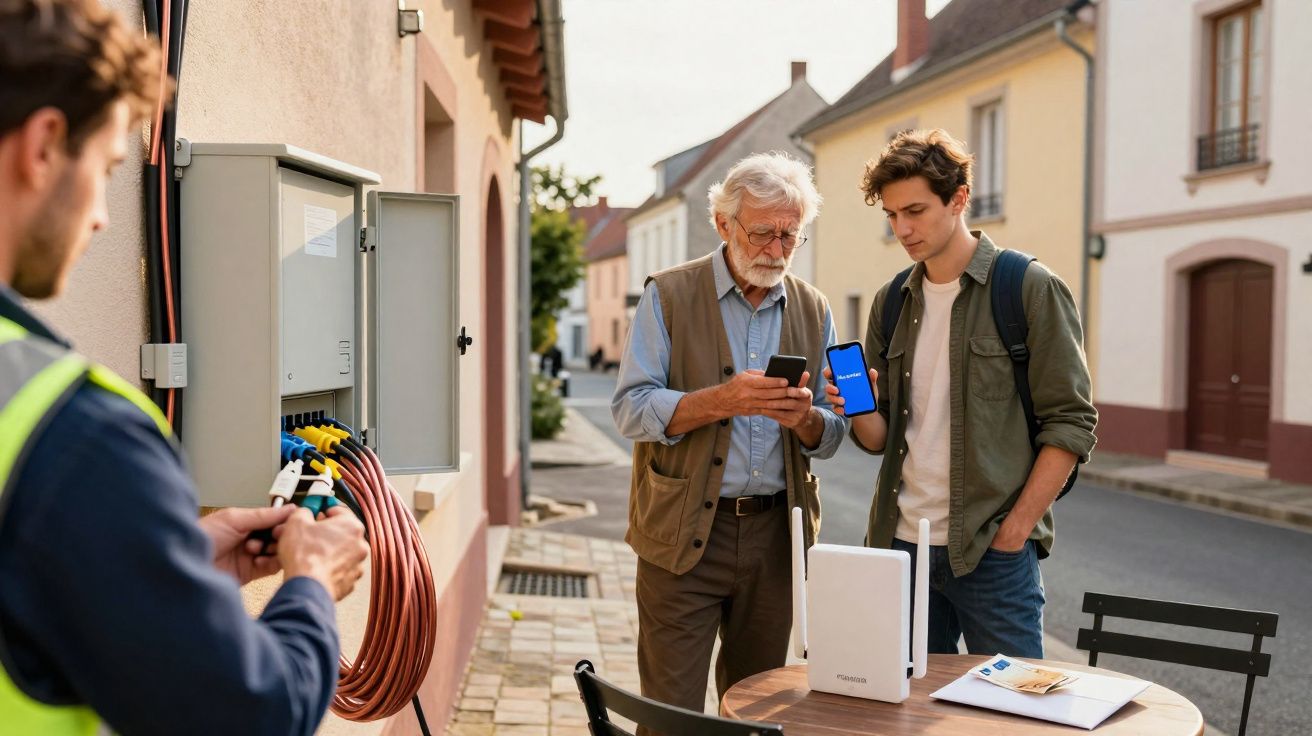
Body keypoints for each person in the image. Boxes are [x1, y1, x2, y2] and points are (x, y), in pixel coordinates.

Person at [0, 1, 369, 733]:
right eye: (106, 167)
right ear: (43, 146)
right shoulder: (77, 435)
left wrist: (167, 560)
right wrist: (313, 584)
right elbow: (250, 713)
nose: (102, 216)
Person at [826, 128, 1096, 658]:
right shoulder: (891, 301)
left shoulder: (1028, 288)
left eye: (915, 211)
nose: (903, 229)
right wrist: (855, 405)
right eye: (892, 215)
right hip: (900, 548)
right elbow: (879, 439)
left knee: (1011, 702)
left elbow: (1071, 422)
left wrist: (1015, 532)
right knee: (901, 700)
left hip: (992, 553)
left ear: (959, 199)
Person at [612, 151, 847, 720]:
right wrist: (722, 401)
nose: (776, 249)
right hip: (682, 533)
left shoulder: (814, 308)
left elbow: (833, 431)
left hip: (775, 539)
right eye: (763, 232)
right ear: (724, 224)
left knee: (756, 712)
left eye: (790, 236)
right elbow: (629, 409)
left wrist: (805, 419)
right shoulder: (668, 295)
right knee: (670, 715)